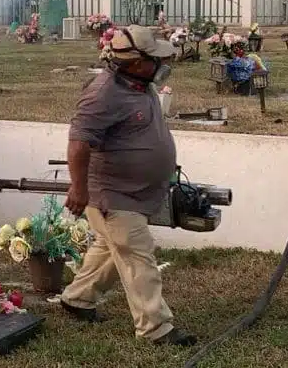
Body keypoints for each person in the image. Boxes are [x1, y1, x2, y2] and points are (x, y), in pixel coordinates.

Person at [59, 25, 197, 346]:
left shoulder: (138, 82)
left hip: (133, 193)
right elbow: (78, 143)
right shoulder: (103, 93)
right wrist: (79, 189)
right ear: (135, 63)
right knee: (137, 256)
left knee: (110, 249)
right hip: (113, 196)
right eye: (155, 59)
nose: (162, 64)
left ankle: (77, 299)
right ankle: (155, 328)